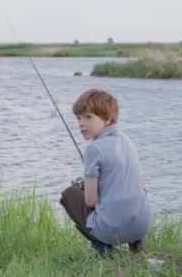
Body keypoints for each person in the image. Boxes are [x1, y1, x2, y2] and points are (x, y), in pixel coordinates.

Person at [60, 89, 152, 254]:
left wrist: (84, 188)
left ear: (108, 118)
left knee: (68, 194)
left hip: (111, 231)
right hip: (141, 226)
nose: (81, 123)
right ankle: (135, 246)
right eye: (78, 118)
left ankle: (102, 246)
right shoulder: (126, 140)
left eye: (88, 117)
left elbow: (90, 201)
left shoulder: (93, 149)